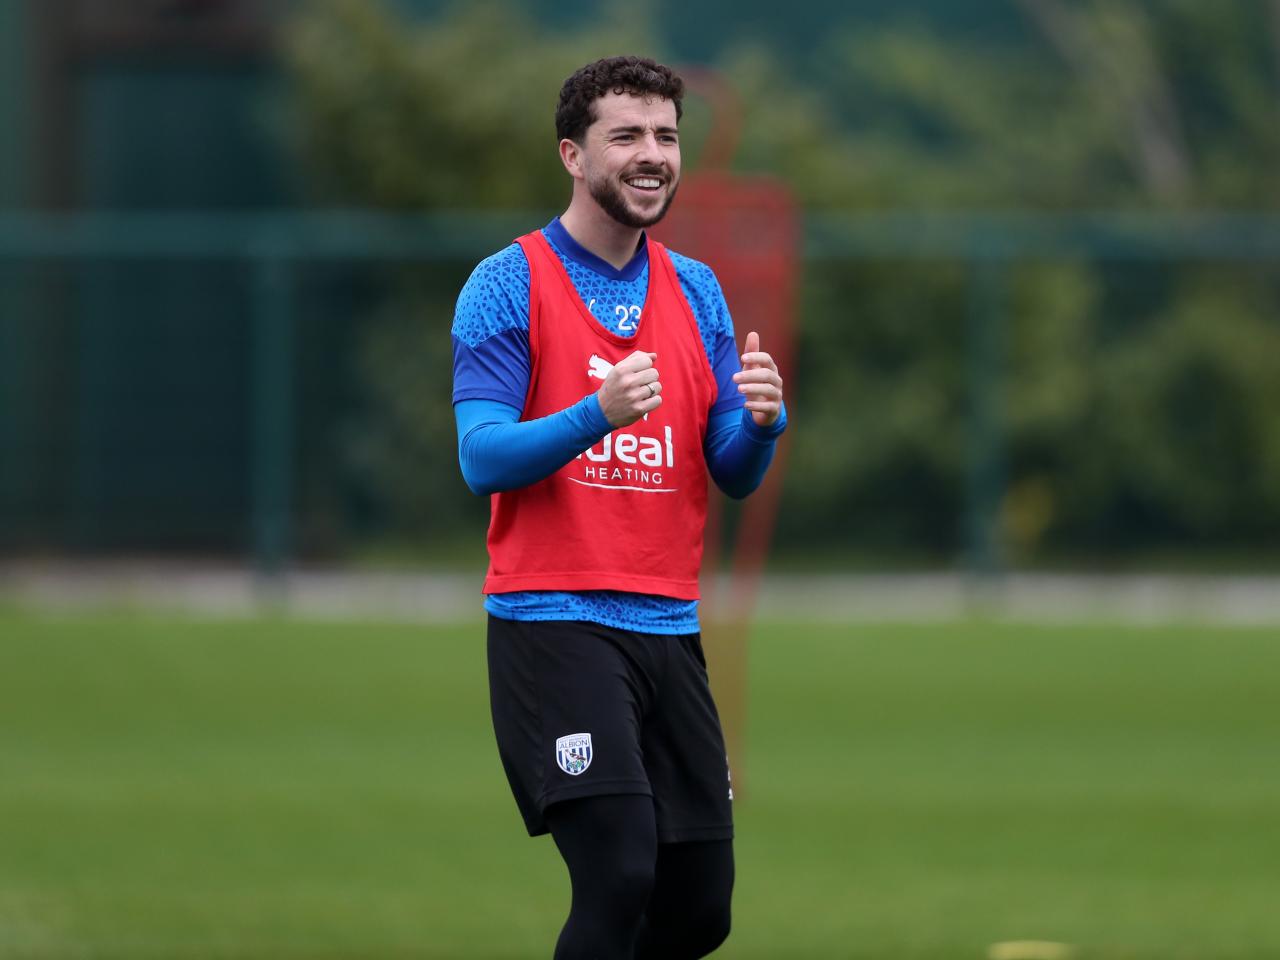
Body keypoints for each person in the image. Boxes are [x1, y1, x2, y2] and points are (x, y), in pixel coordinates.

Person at [451, 55, 787, 960]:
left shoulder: (698, 292)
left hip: (669, 626)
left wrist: (760, 423)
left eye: (668, 137)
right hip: (552, 619)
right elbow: (481, 458)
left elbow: (730, 468)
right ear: (573, 153)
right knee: (618, 873)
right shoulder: (507, 281)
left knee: (699, 906)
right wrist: (594, 415)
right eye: (627, 136)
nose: (653, 155)